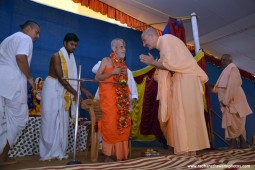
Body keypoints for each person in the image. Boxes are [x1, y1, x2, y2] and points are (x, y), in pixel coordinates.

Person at [139, 28, 210, 155]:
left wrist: (153, 63)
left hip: (186, 79)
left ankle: (189, 151)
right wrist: (156, 64)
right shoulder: (166, 44)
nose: (144, 45)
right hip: (182, 79)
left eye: (144, 40)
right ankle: (185, 150)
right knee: (180, 116)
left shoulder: (166, 39)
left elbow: (169, 65)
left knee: (185, 115)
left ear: (151, 36)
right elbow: (169, 66)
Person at [39, 33, 93, 161]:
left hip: (64, 90)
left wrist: (84, 91)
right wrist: (75, 93)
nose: (74, 47)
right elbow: (62, 79)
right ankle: (47, 153)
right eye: (71, 44)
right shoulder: (56, 56)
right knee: (50, 120)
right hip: (52, 88)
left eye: (75, 45)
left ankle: (58, 152)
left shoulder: (72, 58)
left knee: (62, 121)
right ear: (65, 43)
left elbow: (75, 79)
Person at [0, 20, 40, 165]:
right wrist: (29, 78)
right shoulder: (25, 38)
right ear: (28, 29)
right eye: (37, 32)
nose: (38, 36)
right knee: (20, 119)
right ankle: (2, 156)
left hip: (2, 82)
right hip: (13, 84)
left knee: (3, 121)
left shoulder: (9, 39)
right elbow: (20, 57)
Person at [95, 38, 133, 162]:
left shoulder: (123, 65)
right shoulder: (106, 60)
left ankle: (120, 155)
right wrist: (112, 72)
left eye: (124, 47)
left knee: (123, 124)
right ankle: (107, 155)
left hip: (121, 102)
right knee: (110, 125)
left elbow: (125, 84)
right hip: (109, 100)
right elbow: (97, 77)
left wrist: (129, 99)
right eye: (121, 47)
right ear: (114, 48)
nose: (124, 49)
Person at [212, 54, 252, 149]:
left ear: (230, 61)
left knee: (236, 123)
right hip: (229, 102)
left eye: (224, 60)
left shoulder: (233, 69)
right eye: (221, 60)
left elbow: (232, 87)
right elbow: (222, 87)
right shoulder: (226, 71)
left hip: (234, 101)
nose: (222, 62)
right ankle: (238, 143)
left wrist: (226, 101)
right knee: (232, 123)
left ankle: (239, 143)